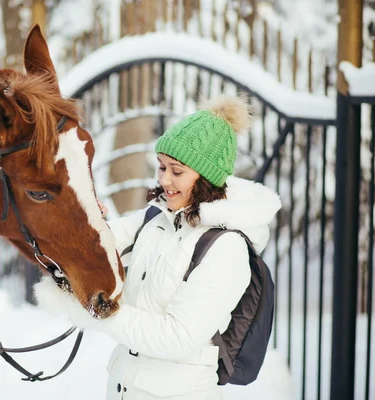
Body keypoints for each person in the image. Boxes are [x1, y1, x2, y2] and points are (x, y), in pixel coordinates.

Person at [35, 95, 282, 400]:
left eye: (177, 171)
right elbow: (94, 249)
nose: (165, 179)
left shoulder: (226, 248)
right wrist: (84, 219)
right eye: (161, 167)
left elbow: (178, 338)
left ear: (207, 178)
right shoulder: (157, 219)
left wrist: (103, 310)